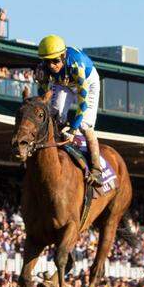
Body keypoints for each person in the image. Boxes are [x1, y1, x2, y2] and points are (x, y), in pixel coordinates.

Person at [36, 35, 104, 187]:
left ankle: (97, 169)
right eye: (47, 61)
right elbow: (43, 99)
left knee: (85, 125)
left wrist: (73, 129)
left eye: (55, 61)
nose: (51, 66)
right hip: (64, 83)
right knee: (54, 114)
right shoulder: (42, 69)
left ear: (63, 55)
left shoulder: (76, 65)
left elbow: (83, 103)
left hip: (87, 83)